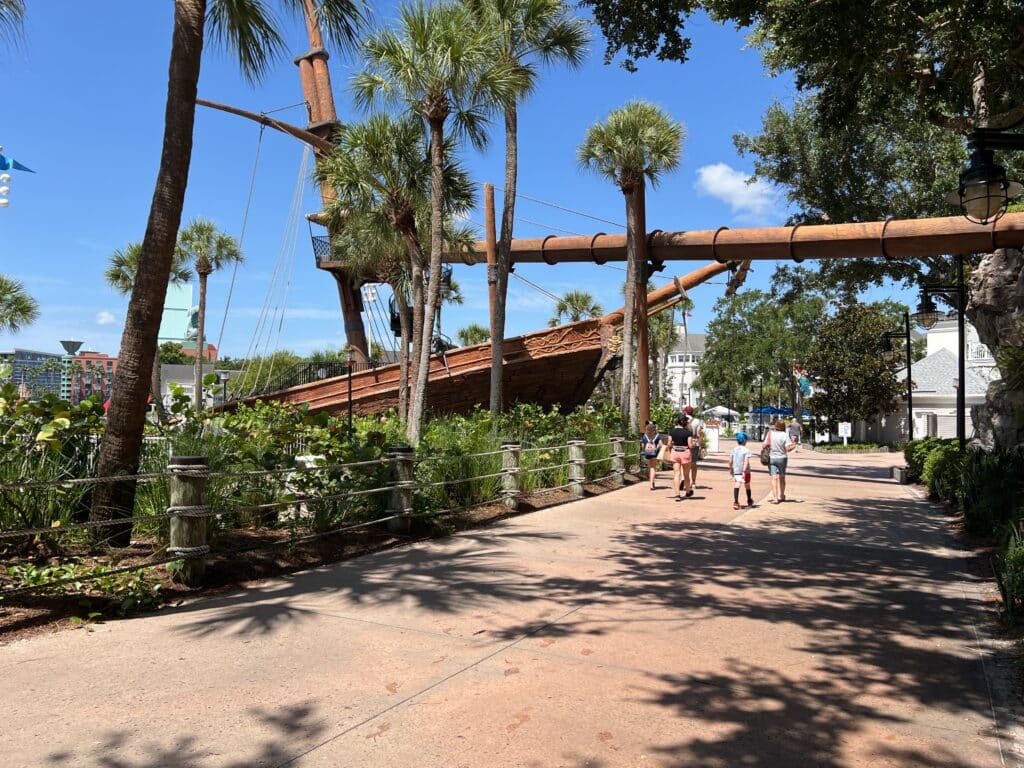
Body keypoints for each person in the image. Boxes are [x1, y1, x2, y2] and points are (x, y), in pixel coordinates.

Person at [764, 418, 798, 503]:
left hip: (772, 458)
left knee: (773, 478)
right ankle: (782, 495)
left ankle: (775, 498)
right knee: (782, 477)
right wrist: (794, 445)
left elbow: (764, 445)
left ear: (776, 426)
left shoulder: (770, 434)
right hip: (782, 458)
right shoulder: (784, 435)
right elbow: (787, 449)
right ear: (783, 427)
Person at [667, 413, 695, 501]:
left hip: (675, 452)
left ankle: (677, 494)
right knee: (686, 475)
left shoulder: (672, 432)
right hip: (685, 453)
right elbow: (690, 445)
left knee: (676, 474)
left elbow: (669, 444)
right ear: (685, 422)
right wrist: (694, 444)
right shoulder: (688, 433)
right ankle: (687, 492)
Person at [729, 431, 754, 510]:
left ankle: (736, 502)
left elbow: (730, 461)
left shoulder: (734, 449)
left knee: (737, 484)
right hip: (745, 471)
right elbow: (746, 461)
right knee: (747, 485)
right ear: (745, 441)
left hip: (736, 470)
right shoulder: (746, 450)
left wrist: (731, 469)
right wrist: (744, 470)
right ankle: (749, 500)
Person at [683, 404, 703, 491]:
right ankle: (693, 483)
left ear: (685, 411)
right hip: (694, 443)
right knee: (693, 464)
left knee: (684, 463)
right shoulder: (697, 421)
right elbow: (698, 434)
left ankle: (684, 481)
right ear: (692, 412)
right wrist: (701, 444)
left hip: (683, 442)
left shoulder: (682, 419)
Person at [640, 420, 663, 490]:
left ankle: (652, 482)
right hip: (654, 454)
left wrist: (645, 450)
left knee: (650, 468)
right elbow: (661, 445)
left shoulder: (644, 436)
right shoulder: (657, 436)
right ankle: (651, 484)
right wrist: (657, 447)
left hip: (647, 454)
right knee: (653, 468)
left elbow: (642, 446)